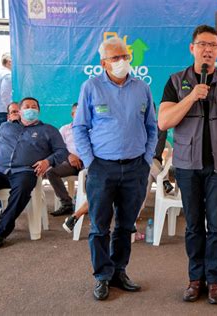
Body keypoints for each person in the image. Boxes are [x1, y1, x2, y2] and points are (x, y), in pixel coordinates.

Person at [158, 25, 217, 305]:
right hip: (188, 164)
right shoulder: (176, 81)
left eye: (213, 45)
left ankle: (214, 282)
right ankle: (194, 280)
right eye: (202, 44)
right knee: (193, 226)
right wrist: (191, 96)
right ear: (192, 48)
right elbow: (164, 122)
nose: (208, 50)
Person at [73, 37, 157, 301]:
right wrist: (91, 163)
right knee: (99, 226)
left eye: (125, 57)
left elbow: (152, 127)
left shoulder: (142, 88)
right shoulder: (91, 87)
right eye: (115, 58)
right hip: (102, 168)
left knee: (125, 225)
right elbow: (80, 128)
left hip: (135, 168)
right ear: (103, 63)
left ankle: (119, 271)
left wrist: (146, 160)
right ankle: (102, 276)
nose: (122, 62)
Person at [62, 128, 174, 234]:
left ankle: (76, 216)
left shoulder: (156, 129)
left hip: (144, 164)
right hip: (121, 166)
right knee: (103, 193)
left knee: (147, 168)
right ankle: (164, 182)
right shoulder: (125, 129)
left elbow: (155, 151)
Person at [0, 97, 68, 248]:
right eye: (27, 106)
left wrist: (48, 161)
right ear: (19, 111)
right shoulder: (6, 127)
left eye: (34, 107)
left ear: (38, 111)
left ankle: (1, 232)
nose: (31, 109)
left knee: (22, 190)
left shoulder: (48, 130)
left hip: (24, 172)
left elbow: (62, 151)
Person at [47, 103, 83, 217]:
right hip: (70, 163)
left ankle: (85, 204)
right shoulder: (65, 129)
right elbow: (58, 148)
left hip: (88, 163)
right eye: (78, 112)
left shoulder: (93, 129)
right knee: (51, 172)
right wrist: (69, 155)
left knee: (94, 175)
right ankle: (67, 203)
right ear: (73, 114)